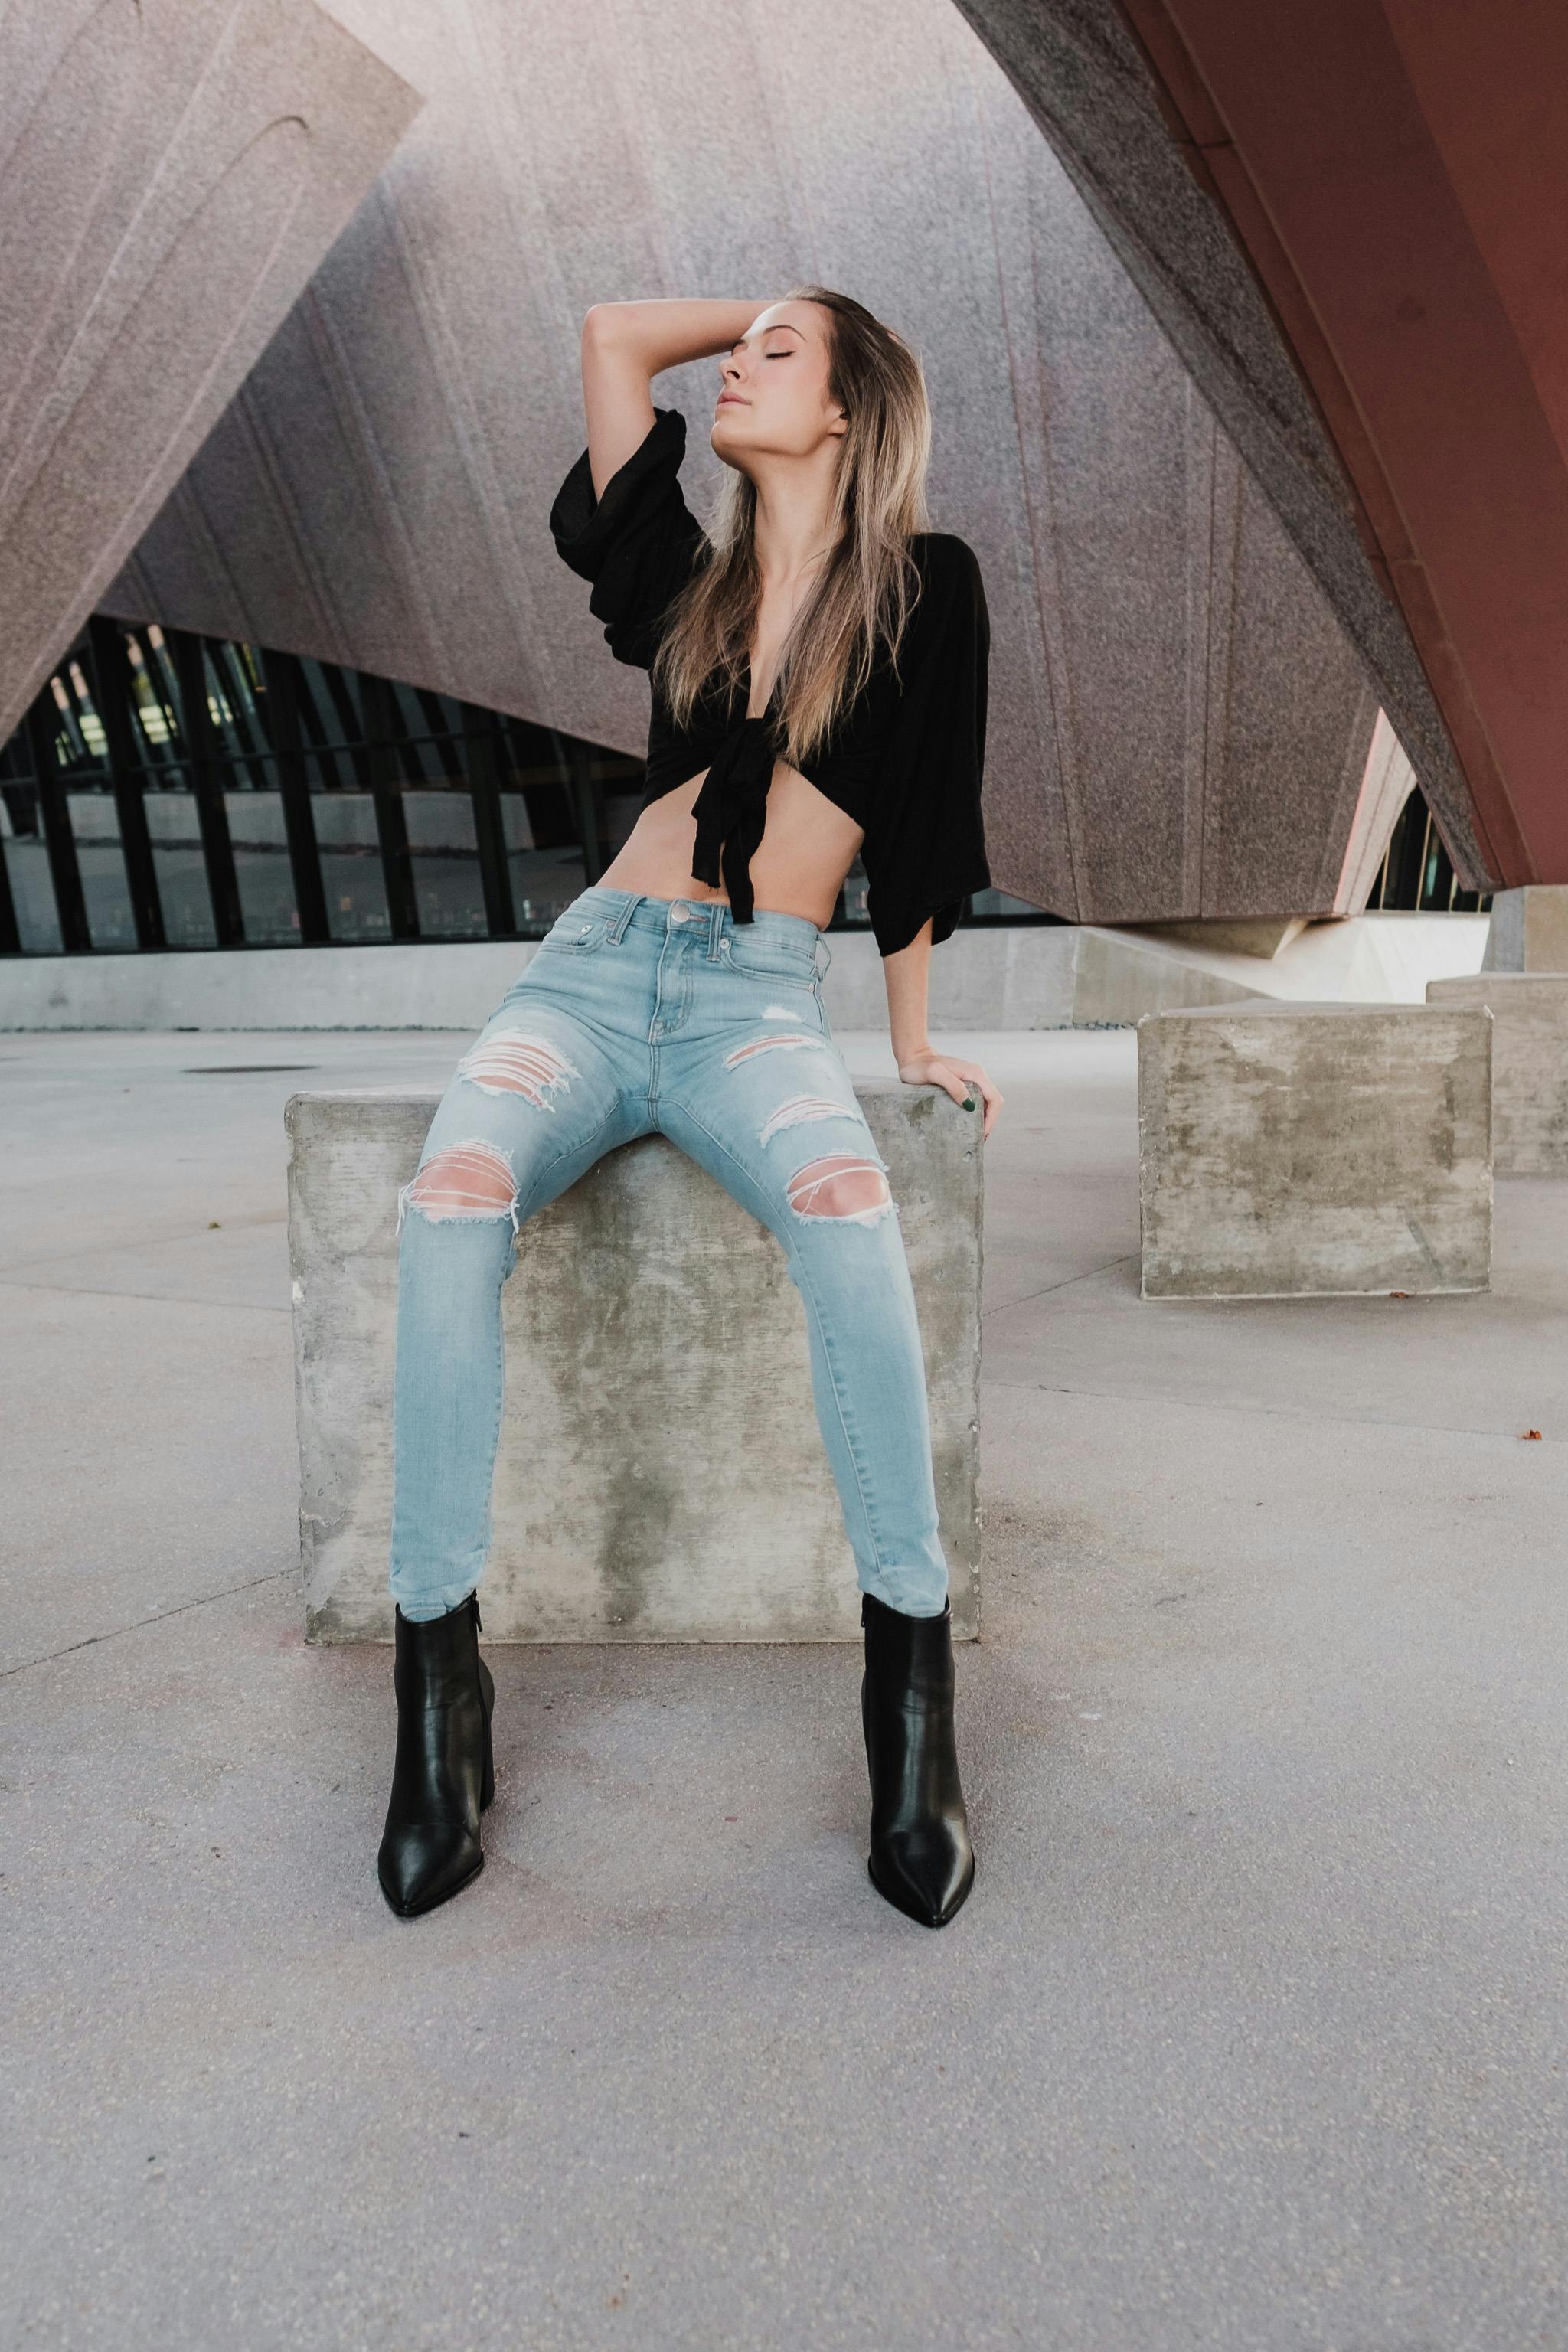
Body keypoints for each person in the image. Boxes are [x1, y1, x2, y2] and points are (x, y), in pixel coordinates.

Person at [377, 286, 1004, 1931]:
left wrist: (915, 1037)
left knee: (853, 1230)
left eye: (778, 357)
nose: (736, 366)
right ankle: (437, 1696)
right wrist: (770, 301)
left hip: (752, 1004)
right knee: (447, 1210)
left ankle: (912, 1703)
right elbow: (601, 337)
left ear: (856, 408)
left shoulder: (928, 587)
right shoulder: (690, 585)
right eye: (742, 349)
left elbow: (932, 816)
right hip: (586, 983)